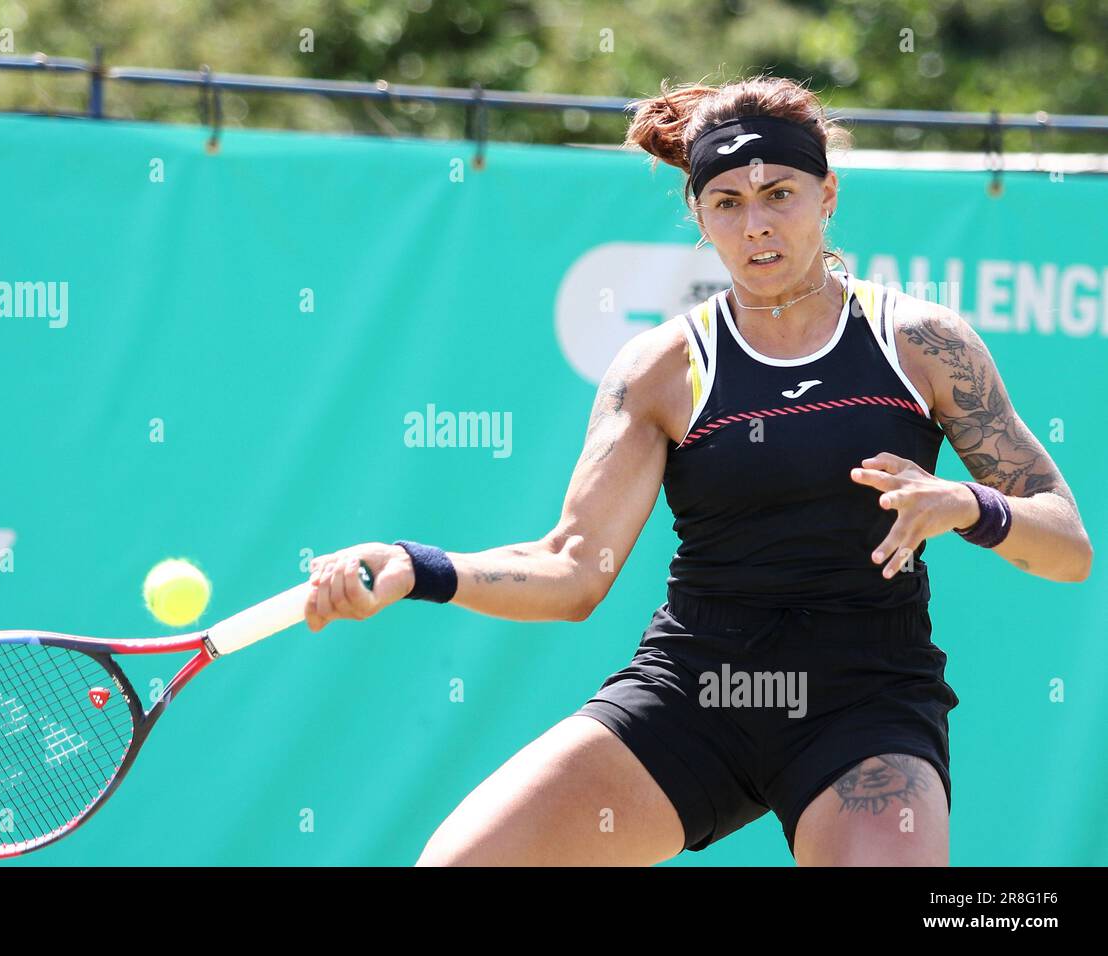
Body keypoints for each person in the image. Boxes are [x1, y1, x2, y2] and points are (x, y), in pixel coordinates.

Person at [301, 74, 1094, 866]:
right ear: (699, 219)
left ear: (828, 197)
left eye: (779, 193)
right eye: (727, 204)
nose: (756, 225)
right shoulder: (658, 369)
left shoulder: (921, 343)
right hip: (694, 694)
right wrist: (418, 567)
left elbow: (1070, 547)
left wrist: (968, 504)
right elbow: (572, 569)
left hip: (865, 705)